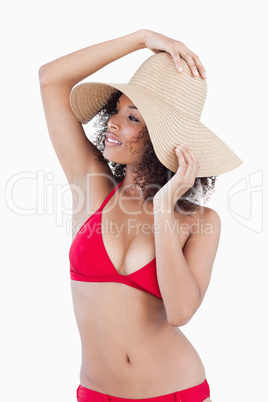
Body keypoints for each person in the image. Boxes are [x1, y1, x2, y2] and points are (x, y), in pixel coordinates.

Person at [39, 29, 243, 402]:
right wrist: (140, 38)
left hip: (176, 392)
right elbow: (50, 80)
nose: (114, 123)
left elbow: (180, 312)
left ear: (161, 137)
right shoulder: (92, 184)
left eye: (132, 117)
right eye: (115, 110)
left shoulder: (199, 222)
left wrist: (164, 210)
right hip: (97, 393)